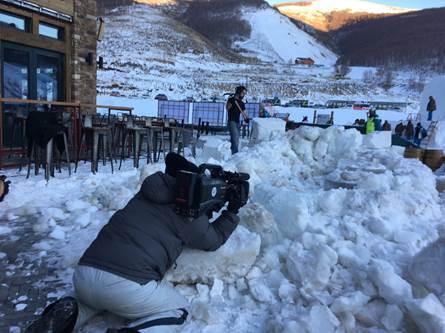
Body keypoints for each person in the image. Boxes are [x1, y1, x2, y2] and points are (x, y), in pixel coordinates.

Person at [26, 153, 247, 333]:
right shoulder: (187, 211)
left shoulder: (145, 195)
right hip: (124, 286)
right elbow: (213, 240)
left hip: (84, 275)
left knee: (90, 303)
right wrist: (232, 210)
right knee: (178, 310)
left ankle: (68, 313)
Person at [226, 86, 249, 154]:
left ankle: (233, 153)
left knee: (236, 140)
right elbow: (227, 108)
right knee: (235, 138)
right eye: (243, 93)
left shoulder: (241, 103)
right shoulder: (231, 100)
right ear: (239, 92)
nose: (244, 95)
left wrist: (246, 118)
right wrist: (231, 101)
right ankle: (235, 154)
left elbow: (244, 112)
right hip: (231, 122)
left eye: (245, 93)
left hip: (237, 123)